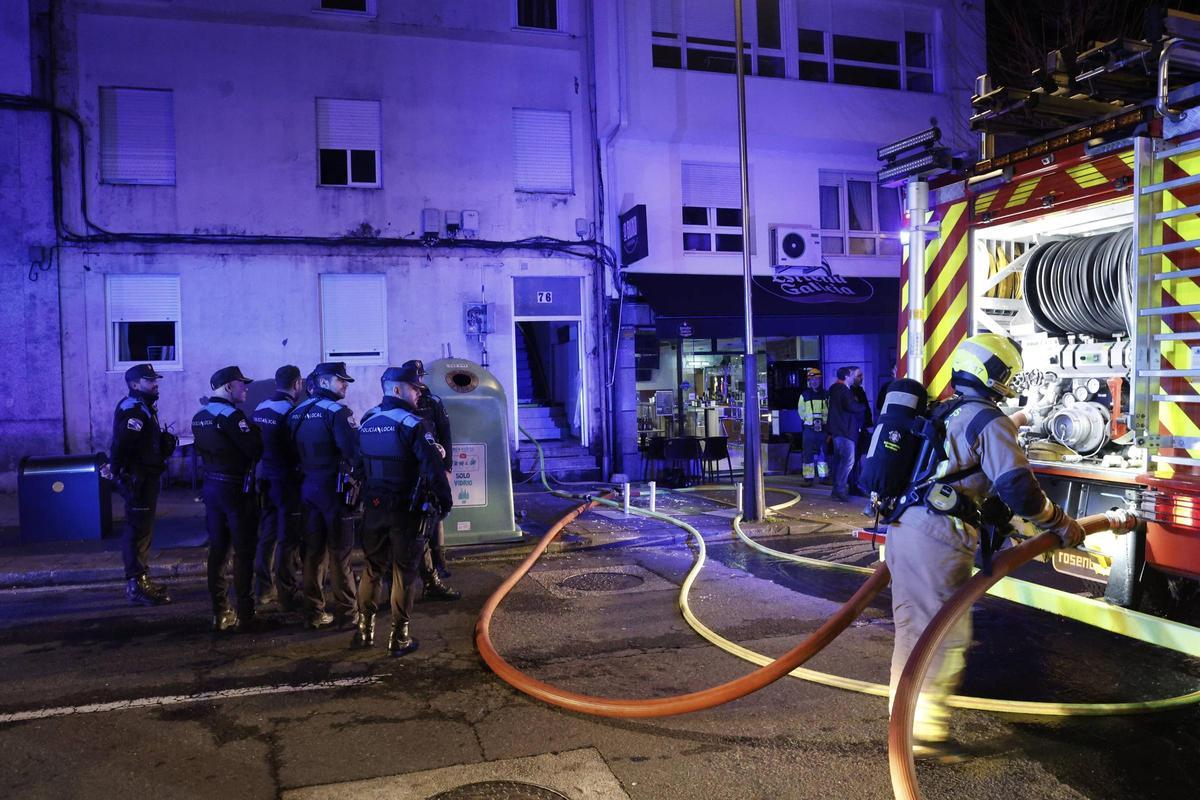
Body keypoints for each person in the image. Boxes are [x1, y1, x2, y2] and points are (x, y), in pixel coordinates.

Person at [886, 333, 1085, 759]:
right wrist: (1059, 523)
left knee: (914, 632)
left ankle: (904, 726)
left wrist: (1015, 529)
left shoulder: (948, 410)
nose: (1009, 379)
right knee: (943, 637)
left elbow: (971, 480)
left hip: (907, 528)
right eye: (1006, 372)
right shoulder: (987, 419)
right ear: (994, 374)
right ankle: (923, 736)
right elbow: (1018, 487)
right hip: (937, 536)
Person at [353, 364, 453, 656]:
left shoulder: (368, 420)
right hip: (405, 511)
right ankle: (399, 638)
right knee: (403, 572)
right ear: (397, 389)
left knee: (372, 569)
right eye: (413, 389)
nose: (418, 394)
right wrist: (445, 504)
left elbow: (359, 468)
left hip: (373, 509)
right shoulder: (411, 424)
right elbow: (433, 470)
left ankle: (365, 630)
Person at [288, 361, 359, 629]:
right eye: (340, 380)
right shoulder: (338, 413)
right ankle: (348, 615)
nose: (345, 385)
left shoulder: (297, 412)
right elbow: (352, 451)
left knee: (313, 554)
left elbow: (290, 451)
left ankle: (314, 612)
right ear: (324, 382)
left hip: (307, 487)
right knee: (340, 554)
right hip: (333, 489)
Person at [192, 366, 263, 631]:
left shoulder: (200, 417)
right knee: (244, 552)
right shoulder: (233, 416)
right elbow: (255, 448)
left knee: (218, 552)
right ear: (228, 387)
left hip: (212, 487)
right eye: (241, 384)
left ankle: (220, 611)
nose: (245, 388)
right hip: (235, 490)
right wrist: (254, 432)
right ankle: (247, 613)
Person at [108, 363, 176, 606]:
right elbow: (122, 446)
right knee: (137, 532)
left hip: (145, 477)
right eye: (149, 380)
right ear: (135, 384)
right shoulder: (134, 410)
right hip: (138, 480)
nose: (155, 383)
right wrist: (118, 473)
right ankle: (136, 585)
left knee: (143, 532)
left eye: (154, 379)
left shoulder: (144, 407)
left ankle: (141, 579)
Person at [401, 358, 462, 600]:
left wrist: (447, 467)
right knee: (417, 522)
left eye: (421, 377)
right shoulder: (401, 403)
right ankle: (422, 570)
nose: (420, 382)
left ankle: (439, 563)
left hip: (432, 466)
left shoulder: (433, 402)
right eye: (416, 378)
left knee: (435, 518)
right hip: (412, 470)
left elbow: (445, 434)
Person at [251, 365, 306, 610]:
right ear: (297, 384)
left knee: (268, 533)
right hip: (286, 480)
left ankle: (263, 589)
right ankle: (287, 593)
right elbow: (297, 449)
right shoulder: (291, 412)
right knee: (289, 537)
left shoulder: (261, 408)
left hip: (265, 477)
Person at [826, 365, 866, 503]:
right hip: (845, 432)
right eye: (853, 375)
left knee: (839, 462)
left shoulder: (834, 389)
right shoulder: (843, 390)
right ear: (847, 376)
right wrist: (862, 406)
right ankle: (840, 490)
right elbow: (851, 406)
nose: (854, 378)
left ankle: (836, 490)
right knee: (848, 462)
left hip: (838, 432)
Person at [795, 368, 829, 487]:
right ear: (809, 381)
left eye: (817, 379)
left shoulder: (826, 394)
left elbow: (829, 411)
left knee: (823, 452)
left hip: (823, 428)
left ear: (820, 380)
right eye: (812, 379)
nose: (814, 381)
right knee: (808, 453)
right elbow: (801, 411)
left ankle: (823, 477)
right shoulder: (804, 395)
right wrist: (809, 421)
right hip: (809, 428)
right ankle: (808, 478)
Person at [849, 369, 873, 497]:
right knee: (854, 458)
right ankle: (852, 485)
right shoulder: (850, 391)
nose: (861, 378)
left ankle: (856, 484)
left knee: (859, 457)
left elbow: (865, 410)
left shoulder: (860, 390)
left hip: (862, 429)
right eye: (859, 376)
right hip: (856, 430)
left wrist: (869, 425)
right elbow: (858, 410)